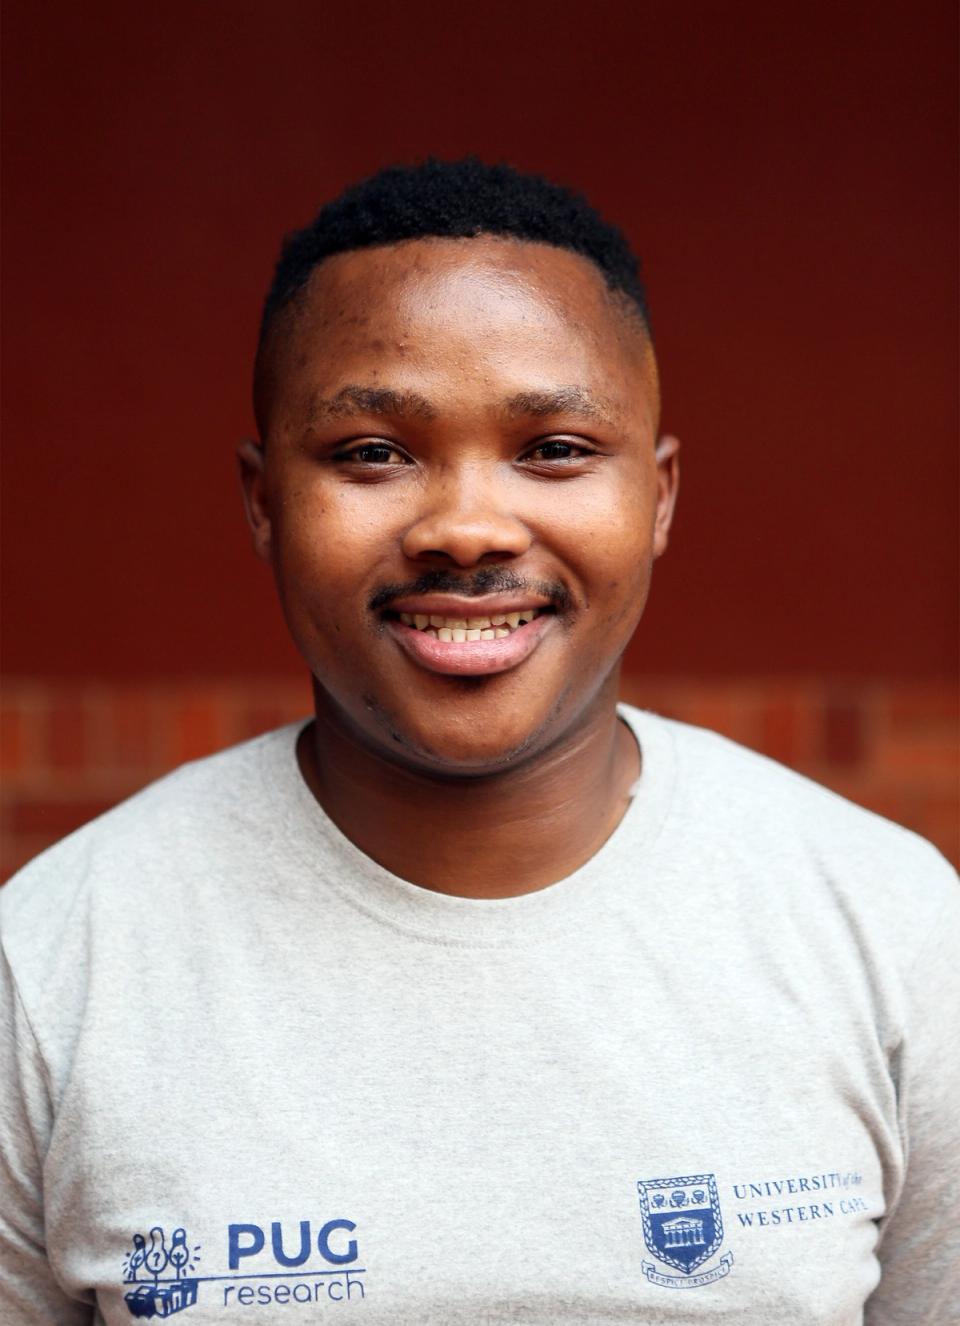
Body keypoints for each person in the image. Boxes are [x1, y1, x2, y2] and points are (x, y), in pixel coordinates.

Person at [1, 158, 957, 1326]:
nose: (463, 528)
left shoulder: (894, 934)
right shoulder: (53, 968)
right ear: (262, 503)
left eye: (553, 448)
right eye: (372, 453)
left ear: (656, 499)